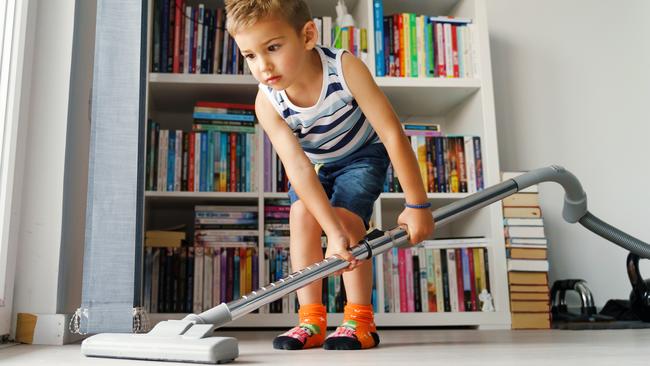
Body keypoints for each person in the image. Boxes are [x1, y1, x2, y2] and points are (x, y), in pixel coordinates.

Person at [224, 0, 435, 350]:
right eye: (250, 56)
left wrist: (418, 205)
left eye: (273, 48)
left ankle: (359, 320)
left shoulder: (344, 68)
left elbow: (392, 133)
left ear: (308, 35)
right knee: (300, 214)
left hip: (363, 155)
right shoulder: (267, 102)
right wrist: (330, 234)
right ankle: (311, 319)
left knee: (348, 224)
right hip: (317, 165)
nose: (263, 66)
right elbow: (298, 168)